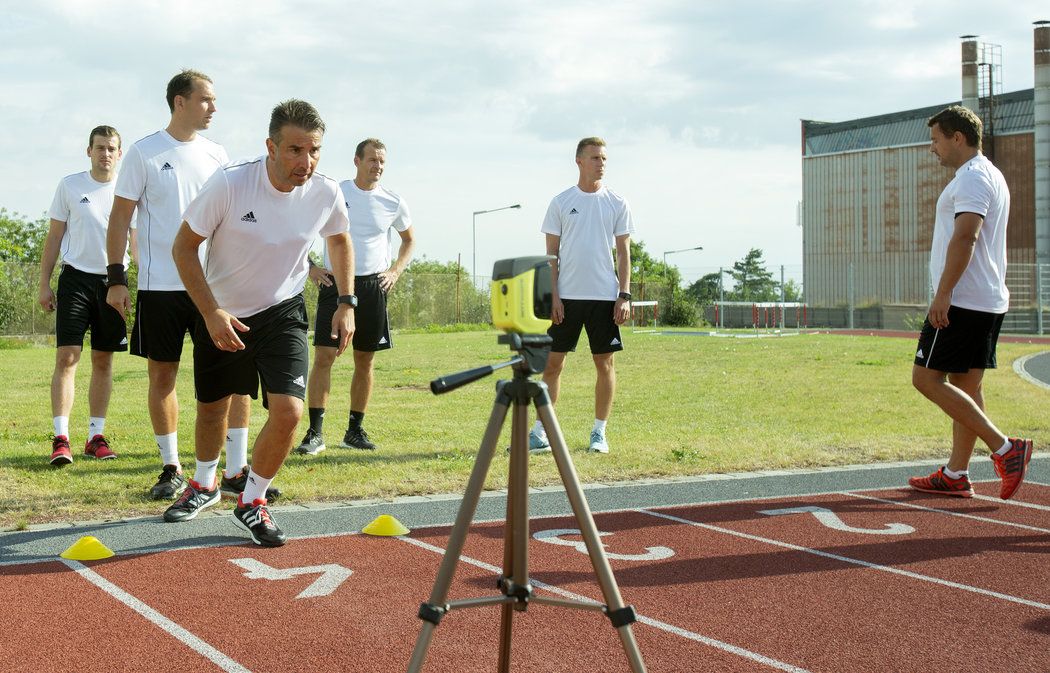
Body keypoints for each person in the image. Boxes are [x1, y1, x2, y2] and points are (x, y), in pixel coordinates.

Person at [167, 99, 354, 546]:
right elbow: (183, 248)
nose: (304, 162)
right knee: (213, 407)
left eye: (313, 151)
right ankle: (204, 484)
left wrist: (347, 301)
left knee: (289, 411)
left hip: (283, 311)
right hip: (223, 311)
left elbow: (340, 239)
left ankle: (252, 501)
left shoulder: (326, 191)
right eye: (294, 150)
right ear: (270, 147)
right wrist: (211, 312)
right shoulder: (230, 184)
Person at [105, 69, 253, 501]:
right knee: (163, 375)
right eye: (206, 99)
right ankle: (171, 467)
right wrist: (117, 278)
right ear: (179, 102)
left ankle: (235, 469)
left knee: (234, 376)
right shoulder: (143, 153)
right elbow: (119, 220)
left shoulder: (217, 154)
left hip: (215, 289)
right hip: (160, 288)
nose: (214, 107)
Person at [907, 105, 1033, 500]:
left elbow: (966, 237)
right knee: (967, 385)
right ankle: (956, 473)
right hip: (985, 299)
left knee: (926, 379)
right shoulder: (988, 174)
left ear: (957, 137)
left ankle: (1006, 449)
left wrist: (943, 294)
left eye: (936, 140)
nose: (933, 148)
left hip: (963, 300)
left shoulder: (975, 178)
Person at [294, 138, 415, 455]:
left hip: (373, 288)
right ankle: (315, 433)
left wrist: (395, 272)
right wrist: (310, 268)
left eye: (382, 162)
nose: (378, 166)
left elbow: (409, 240)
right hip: (334, 286)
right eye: (373, 160)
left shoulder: (393, 201)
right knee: (324, 357)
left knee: (365, 361)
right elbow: (298, 228)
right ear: (357, 161)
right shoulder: (336, 192)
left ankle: (354, 430)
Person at [530, 137, 634, 455]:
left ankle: (599, 433)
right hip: (568, 298)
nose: (601, 163)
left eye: (604, 158)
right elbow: (551, 256)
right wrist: (555, 296)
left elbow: (624, 253)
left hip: (605, 298)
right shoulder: (561, 202)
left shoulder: (617, 202)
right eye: (594, 158)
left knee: (605, 364)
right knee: (553, 365)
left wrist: (624, 295)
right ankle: (540, 432)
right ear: (579, 161)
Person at [39, 125, 135, 465]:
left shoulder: (129, 191)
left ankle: (95, 436)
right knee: (67, 357)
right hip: (75, 281)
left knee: (103, 360)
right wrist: (43, 283)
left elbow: (136, 245)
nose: (105, 154)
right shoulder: (70, 185)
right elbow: (53, 239)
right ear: (89, 151)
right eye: (99, 147)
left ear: (119, 154)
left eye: (111, 148)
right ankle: (60, 439)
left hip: (113, 282)